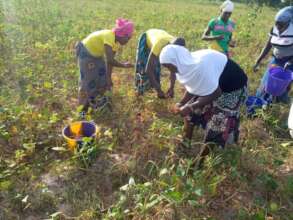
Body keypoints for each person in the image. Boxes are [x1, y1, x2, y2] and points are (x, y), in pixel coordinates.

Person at [160, 45, 247, 158]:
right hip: (214, 85)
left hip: (232, 88)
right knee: (191, 114)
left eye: (169, 67)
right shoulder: (186, 64)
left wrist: (191, 106)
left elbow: (216, 93)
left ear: (176, 60)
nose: (170, 70)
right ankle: (185, 143)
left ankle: (200, 160)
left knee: (217, 123)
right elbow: (193, 86)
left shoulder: (199, 66)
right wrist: (181, 103)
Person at [76, 18, 134, 116]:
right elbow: (111, 60)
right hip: (85, 53)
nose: (128, 41)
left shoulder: (116, 43)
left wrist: (108, 78)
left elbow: (109, 62)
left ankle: (101, 105)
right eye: (127, 38)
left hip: (97, 56)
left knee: (103, 79)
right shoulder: (109, 36)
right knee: (88, 82)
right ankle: (83, 111)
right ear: (121, 34)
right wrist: (124, 65)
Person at [254, 6, 293, 104]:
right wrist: (258, 60)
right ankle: (262, 103)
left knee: (282, 86)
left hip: (289, 61)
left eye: (281, 25)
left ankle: (277, 104)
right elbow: (268, 45)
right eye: (277, 24)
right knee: (266, 83)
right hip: (276, 60)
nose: (278, 27)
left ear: (288, 23)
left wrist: (290, 61)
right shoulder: (274, 28)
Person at [135, 29, 185, 98]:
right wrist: (159, 90)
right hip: (148, 37)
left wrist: (171, 88)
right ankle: (140, 93)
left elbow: (173, 69)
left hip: (160, 36)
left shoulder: (178, 48)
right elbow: (148, 70)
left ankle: (152, 88)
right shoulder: (159, 44)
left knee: (156, 69)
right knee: (143, 68)